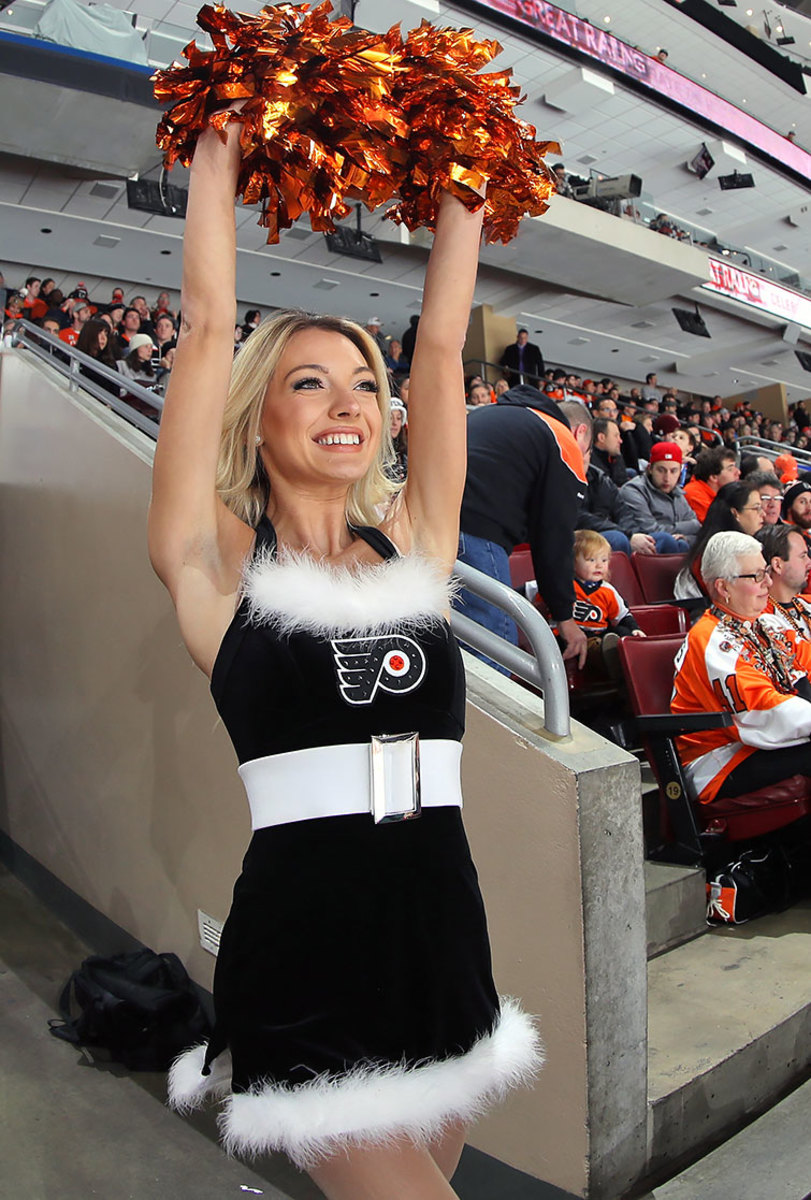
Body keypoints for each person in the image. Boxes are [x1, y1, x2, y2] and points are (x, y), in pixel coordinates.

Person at [148, 112, 540, 1198]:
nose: (349, 403)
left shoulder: (413, 539)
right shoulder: (213, 564)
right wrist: (217, 154)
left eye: (364, 381)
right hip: (308, 942)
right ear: (258, 413)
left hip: (441, 924)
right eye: (310, 381)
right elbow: (204, 322)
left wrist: (465, 187)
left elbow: (446, 343)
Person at [672, 531, 811, 807]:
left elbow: (804, 669)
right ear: (724, 587)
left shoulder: (767, 623)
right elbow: (762, 708)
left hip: (759, 742)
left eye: (766, 573)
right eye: (758, 576)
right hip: (720, 759)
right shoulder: (710, 640)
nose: (768, 583)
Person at [457, 390, 591, 670]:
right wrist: (565, 617)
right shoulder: (562, 439)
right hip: (474, 532)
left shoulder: (490, 414)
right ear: (580, 433)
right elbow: (554, 538)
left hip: (422, 524)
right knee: (495, 656)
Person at [674, 479, 765, 599]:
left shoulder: (752, 547)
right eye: (756, 508)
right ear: (735, 513)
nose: (763, 514)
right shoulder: (713, 555)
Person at [619, 441, 701, 552]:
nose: (667, 478)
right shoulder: (633, 490)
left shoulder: (678, 494)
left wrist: (686, 538)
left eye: (673, 471)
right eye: (661, 470)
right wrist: (690, 526)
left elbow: (698, 531)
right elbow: (650, 530)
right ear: (650, 468)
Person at [758, 524, 811, 638]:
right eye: (803, 556)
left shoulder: (806, 603)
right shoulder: (762, 618)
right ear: (778, 565)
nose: (809, 562)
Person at [683, 447, 740, 522]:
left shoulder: (725, 491)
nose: (738, 472)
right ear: (713, 477)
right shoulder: (694, 494)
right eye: (730, 469)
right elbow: (717, 526)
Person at [590, 417, 627, 487]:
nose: (620, 441)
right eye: (616, 436)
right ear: (601, 438)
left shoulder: (616, 456)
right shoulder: (589, 462)